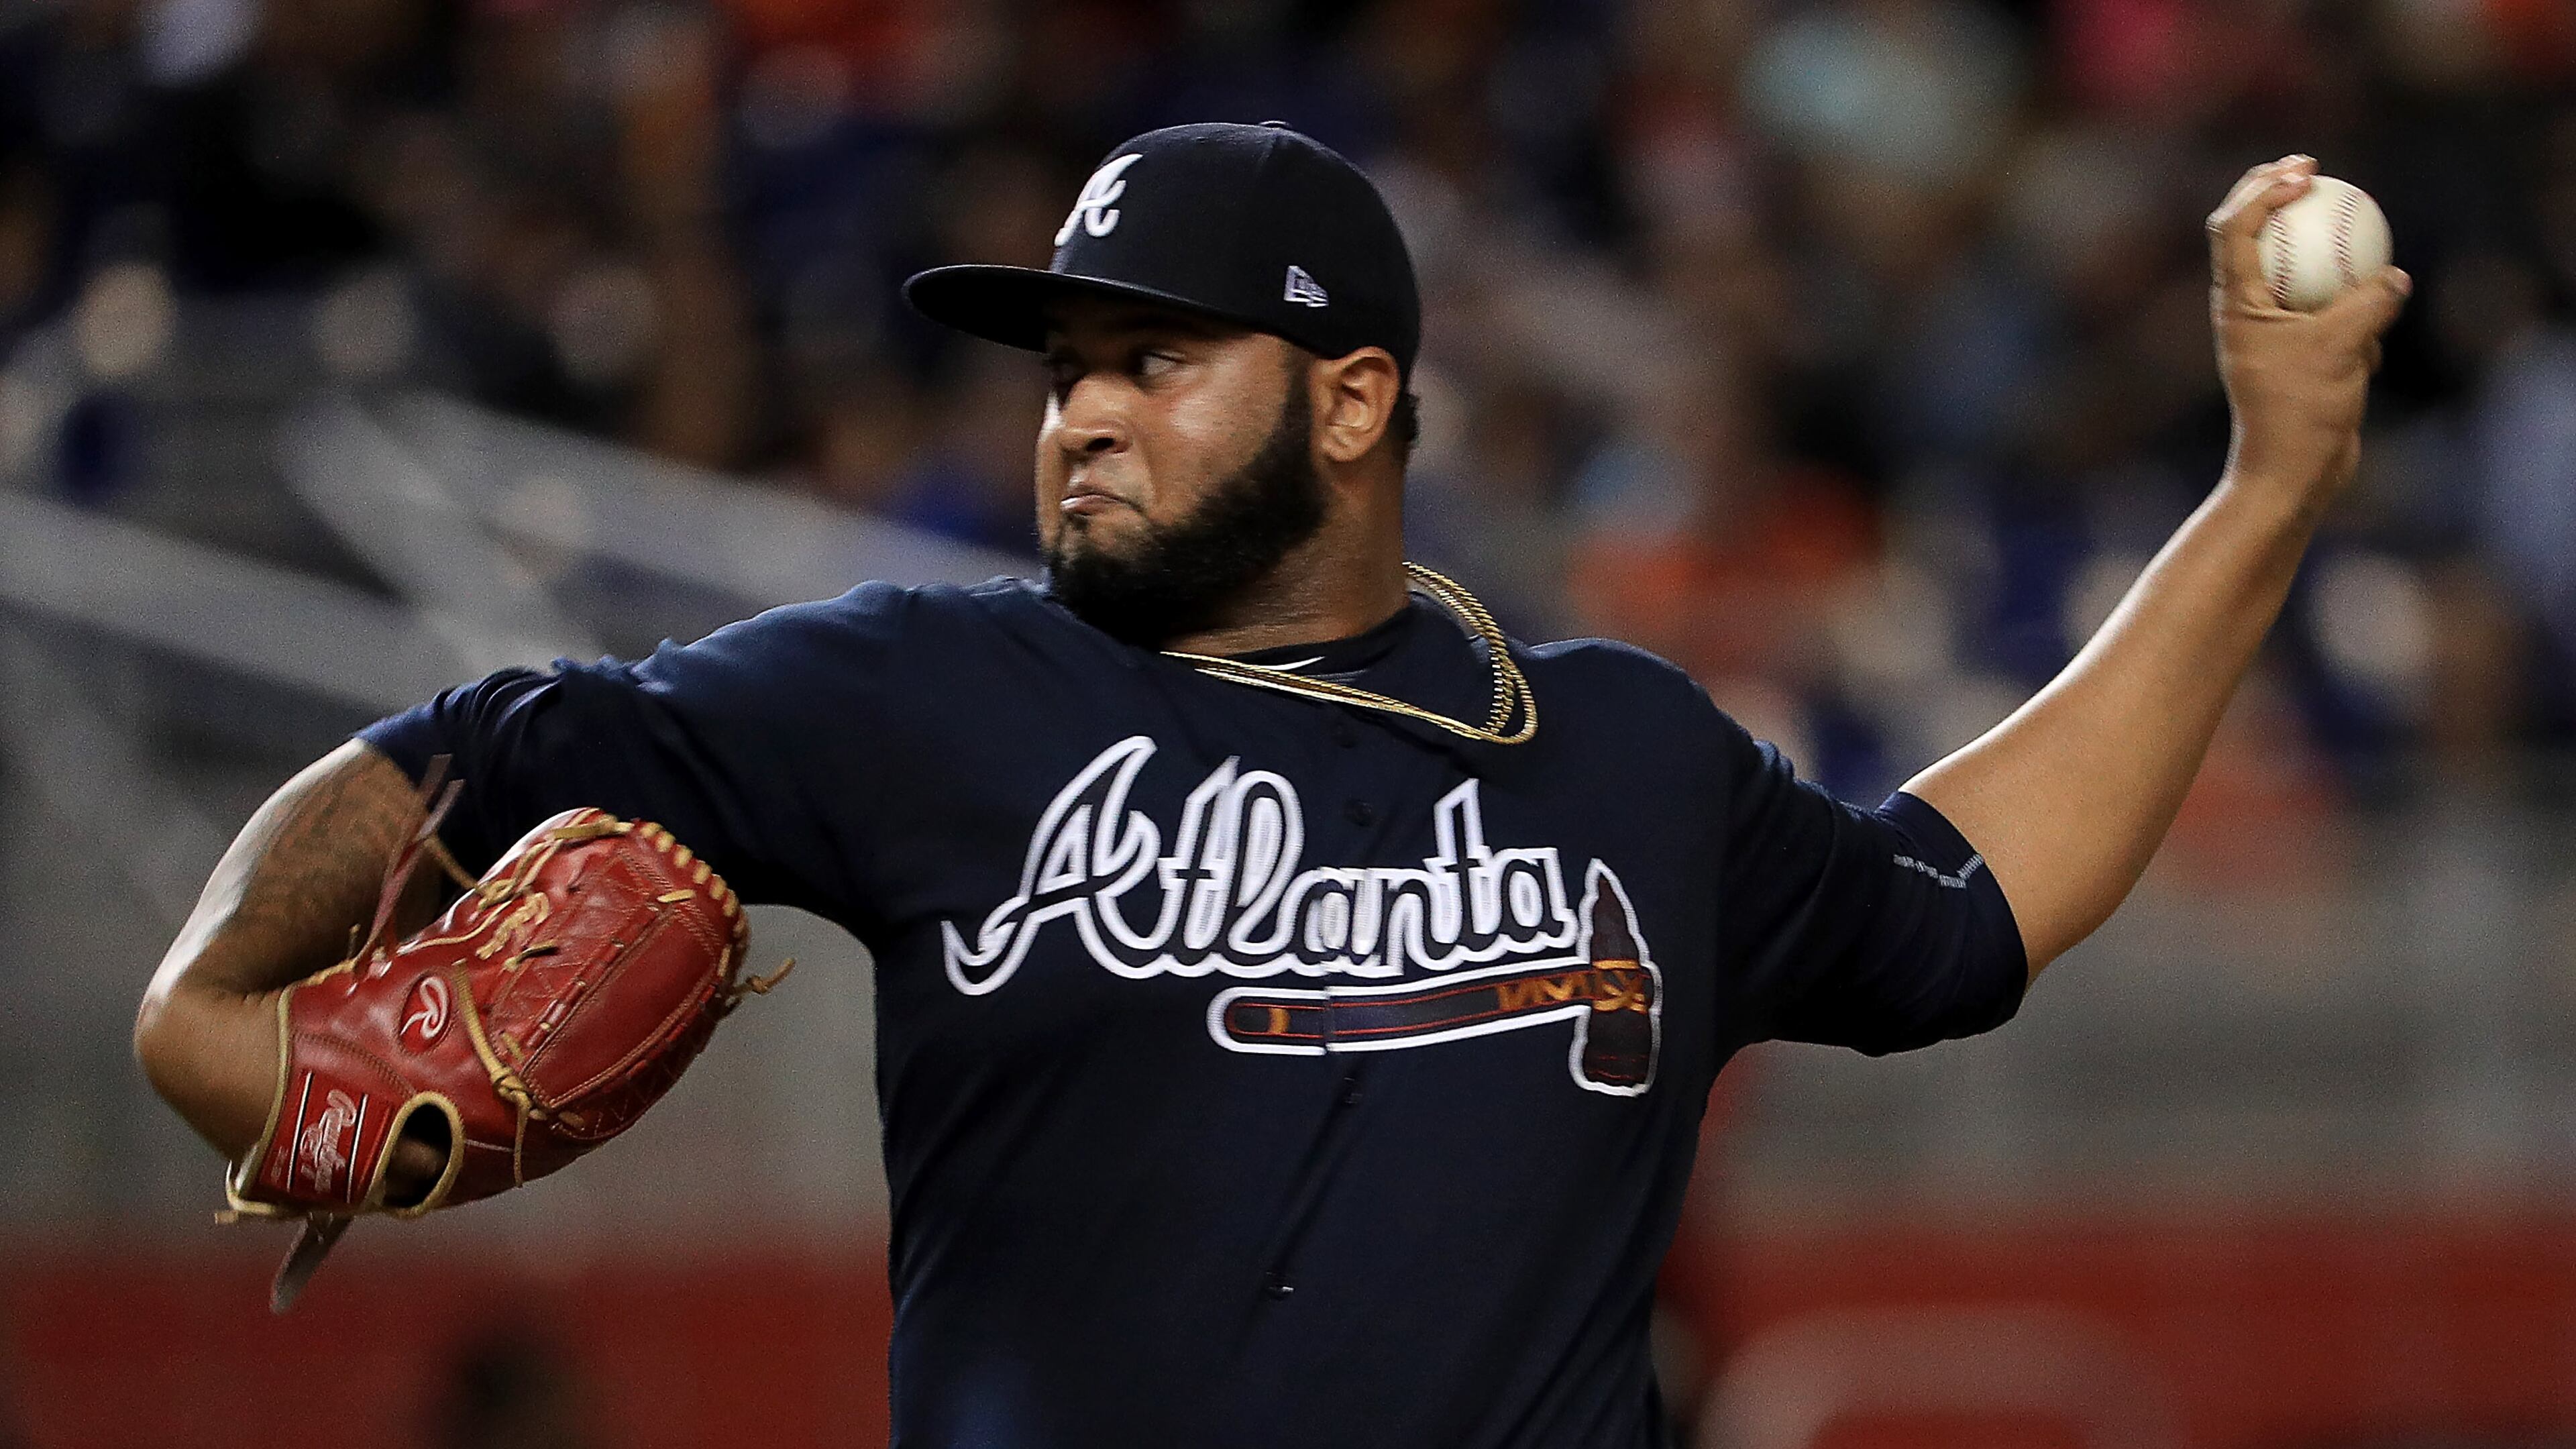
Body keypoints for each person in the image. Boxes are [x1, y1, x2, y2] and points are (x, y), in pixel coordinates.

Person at [133, 123, 2405, 1447]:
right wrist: (215, 1013)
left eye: (1154, 359)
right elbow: (466, 749)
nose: (1077, 413)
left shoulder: (1618, 750)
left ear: (1351, 401)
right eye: (1063, 371)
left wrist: (2271, 484)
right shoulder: (912, 694)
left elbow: (1966, 901)